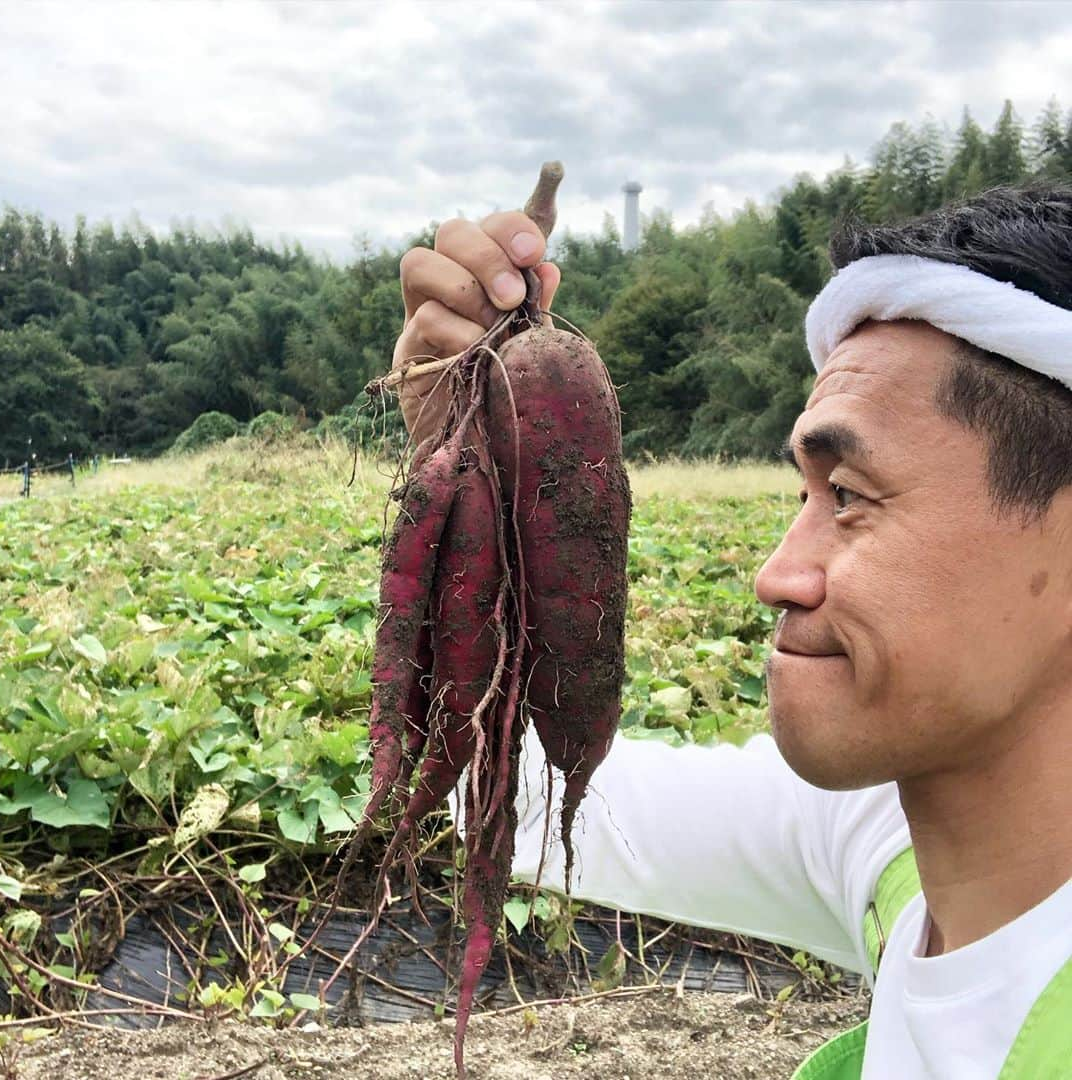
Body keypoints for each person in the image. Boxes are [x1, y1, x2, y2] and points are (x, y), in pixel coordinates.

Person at [391, 185, 1072, 1078]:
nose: (776, 576)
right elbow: (516, 793)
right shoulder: (893, 849)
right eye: (804, 496)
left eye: (852, 498)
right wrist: (475, 483)